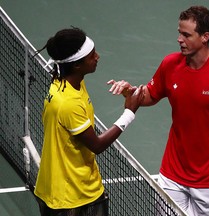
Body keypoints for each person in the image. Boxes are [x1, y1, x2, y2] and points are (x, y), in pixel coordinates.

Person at [107, 5, 209, 216]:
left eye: (186, 34)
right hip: (172, 174)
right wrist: (131, 93)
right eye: (179, 32)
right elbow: (150, 94)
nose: (179, 39)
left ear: (205, 37)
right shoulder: (170, 64)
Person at [34, 27, 144, 216]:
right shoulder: (68, 103)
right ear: (76, 65)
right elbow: (97, 145)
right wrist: (129, 112)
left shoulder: (67, 81)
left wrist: (126, 92)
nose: (98, 57)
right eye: (92, 55)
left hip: (61, 189)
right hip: (73, 198)